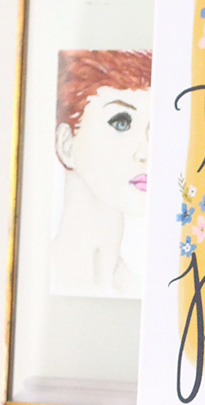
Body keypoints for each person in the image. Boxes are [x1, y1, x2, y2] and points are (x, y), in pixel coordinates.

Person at [52, 48, 151, 297]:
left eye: (155, 127)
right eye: (121, 123)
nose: (147, 152)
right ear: (66, 144)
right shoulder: (34, 288)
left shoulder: (140, 291)